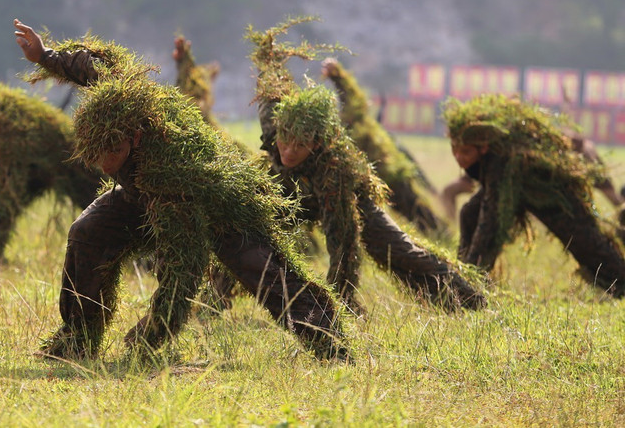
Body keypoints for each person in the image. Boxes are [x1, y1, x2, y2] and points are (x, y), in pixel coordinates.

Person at [13, 19, 349, 361]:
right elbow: (92, 67)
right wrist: (45, 55)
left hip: (217, 206)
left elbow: (183, 271)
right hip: (139, 195)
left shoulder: (172, 173)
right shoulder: (121, 100)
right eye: (94, 155)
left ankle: (331, 344)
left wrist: (151, 332)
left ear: (136, 137)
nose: (102, 163)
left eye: (111, 152)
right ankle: (77, 340)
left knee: (262, 270)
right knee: (87, 231)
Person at [243, 19, 485, 313]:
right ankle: (212, 302)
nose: (289, 151)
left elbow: (342, 244)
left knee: (402, 251)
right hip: (292, 191)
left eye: (300, 145)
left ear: (316, 144)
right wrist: (270, 59)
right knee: (245, 232)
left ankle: (470, 300)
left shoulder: (335, 170)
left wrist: (342, 301)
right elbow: (271, 91)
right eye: (285, 141)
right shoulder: (274, 126)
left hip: (348, 201)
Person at [445, 94, 625, 296]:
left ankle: (620, 283)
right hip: (519, 192)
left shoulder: (500, 162)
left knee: (589, 246)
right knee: (469, 213)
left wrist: (470, 269)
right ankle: (464, 280)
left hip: (554, 199)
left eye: (466, 152)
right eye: (455, 151)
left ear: (483, 147)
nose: (459, 158)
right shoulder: (491, 153)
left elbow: (490, 221)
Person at [0, 78, 102, 270]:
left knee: (101, 211)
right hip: (37, 169)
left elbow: (5, 195)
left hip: (70, 165)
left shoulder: (10, 136)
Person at [321, 58, 447, 237]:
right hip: (374, 178)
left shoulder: (358, 120)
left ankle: (440, 232)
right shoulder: (340, 131)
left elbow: (353, 99)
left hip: (389, 173)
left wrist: (338, 77)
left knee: (413, 206)